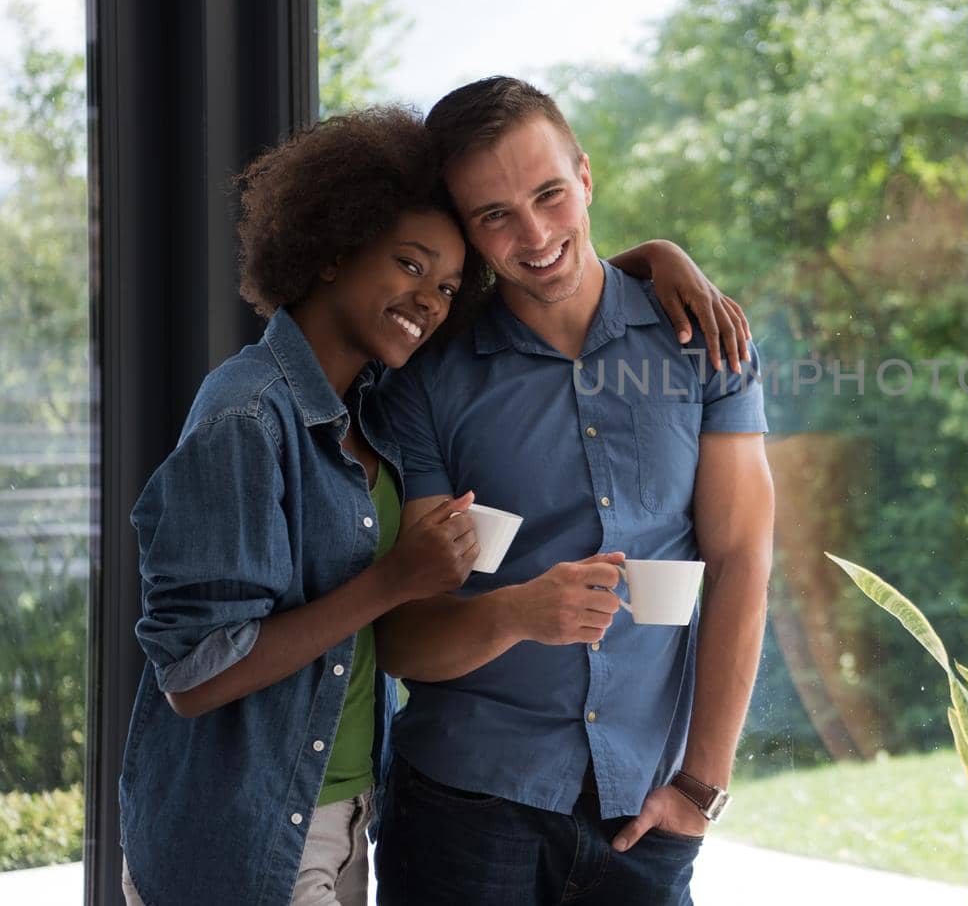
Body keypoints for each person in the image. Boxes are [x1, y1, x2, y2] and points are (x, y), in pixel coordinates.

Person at [118, 105, 747, 906]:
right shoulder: (248, 416)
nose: (429, 300)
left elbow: (548, 281)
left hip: (344, 803)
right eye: (409, 266)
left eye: (447, 285)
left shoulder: (371, 400)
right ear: (331, 252)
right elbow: (192, 676)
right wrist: (401, 582)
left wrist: (657, 258)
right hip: (249, 823)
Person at [372, 77, 775, 906]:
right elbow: (404, 639)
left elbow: (741, 561)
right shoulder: (427, 385)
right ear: (466, 231)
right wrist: (514, 613)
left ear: (585, 178)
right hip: (462, 812)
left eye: (550, 194)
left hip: (646, 816)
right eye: (495, 216)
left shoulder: (705, 344)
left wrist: (701, 787)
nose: (536, 233)